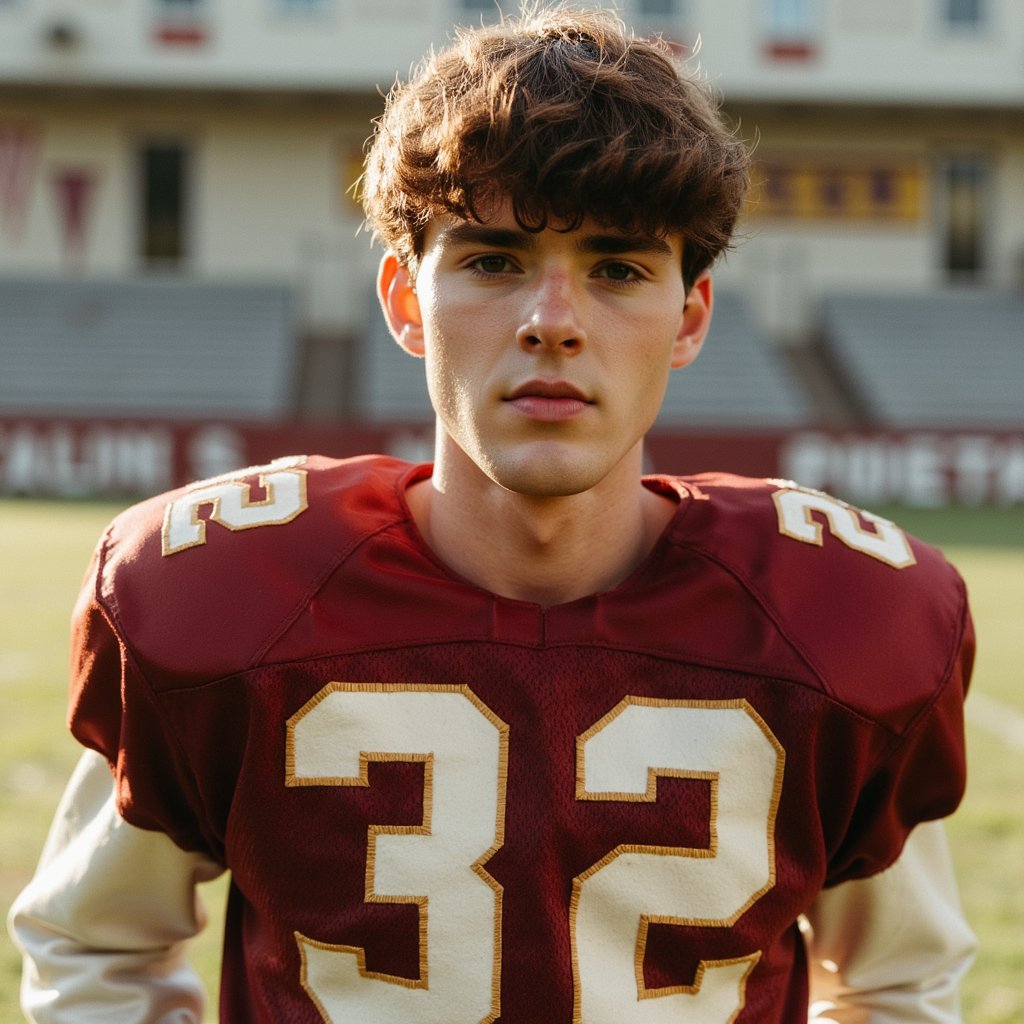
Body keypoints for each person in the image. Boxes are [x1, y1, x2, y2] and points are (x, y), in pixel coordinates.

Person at [9, 4, 976, 1022]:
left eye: (616, 269)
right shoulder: (223, 593)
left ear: (687, 317)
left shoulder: (830, 617)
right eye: (492, 260)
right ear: (402, 300)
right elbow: (97, 945)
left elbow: (894, 983)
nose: (551, 323)